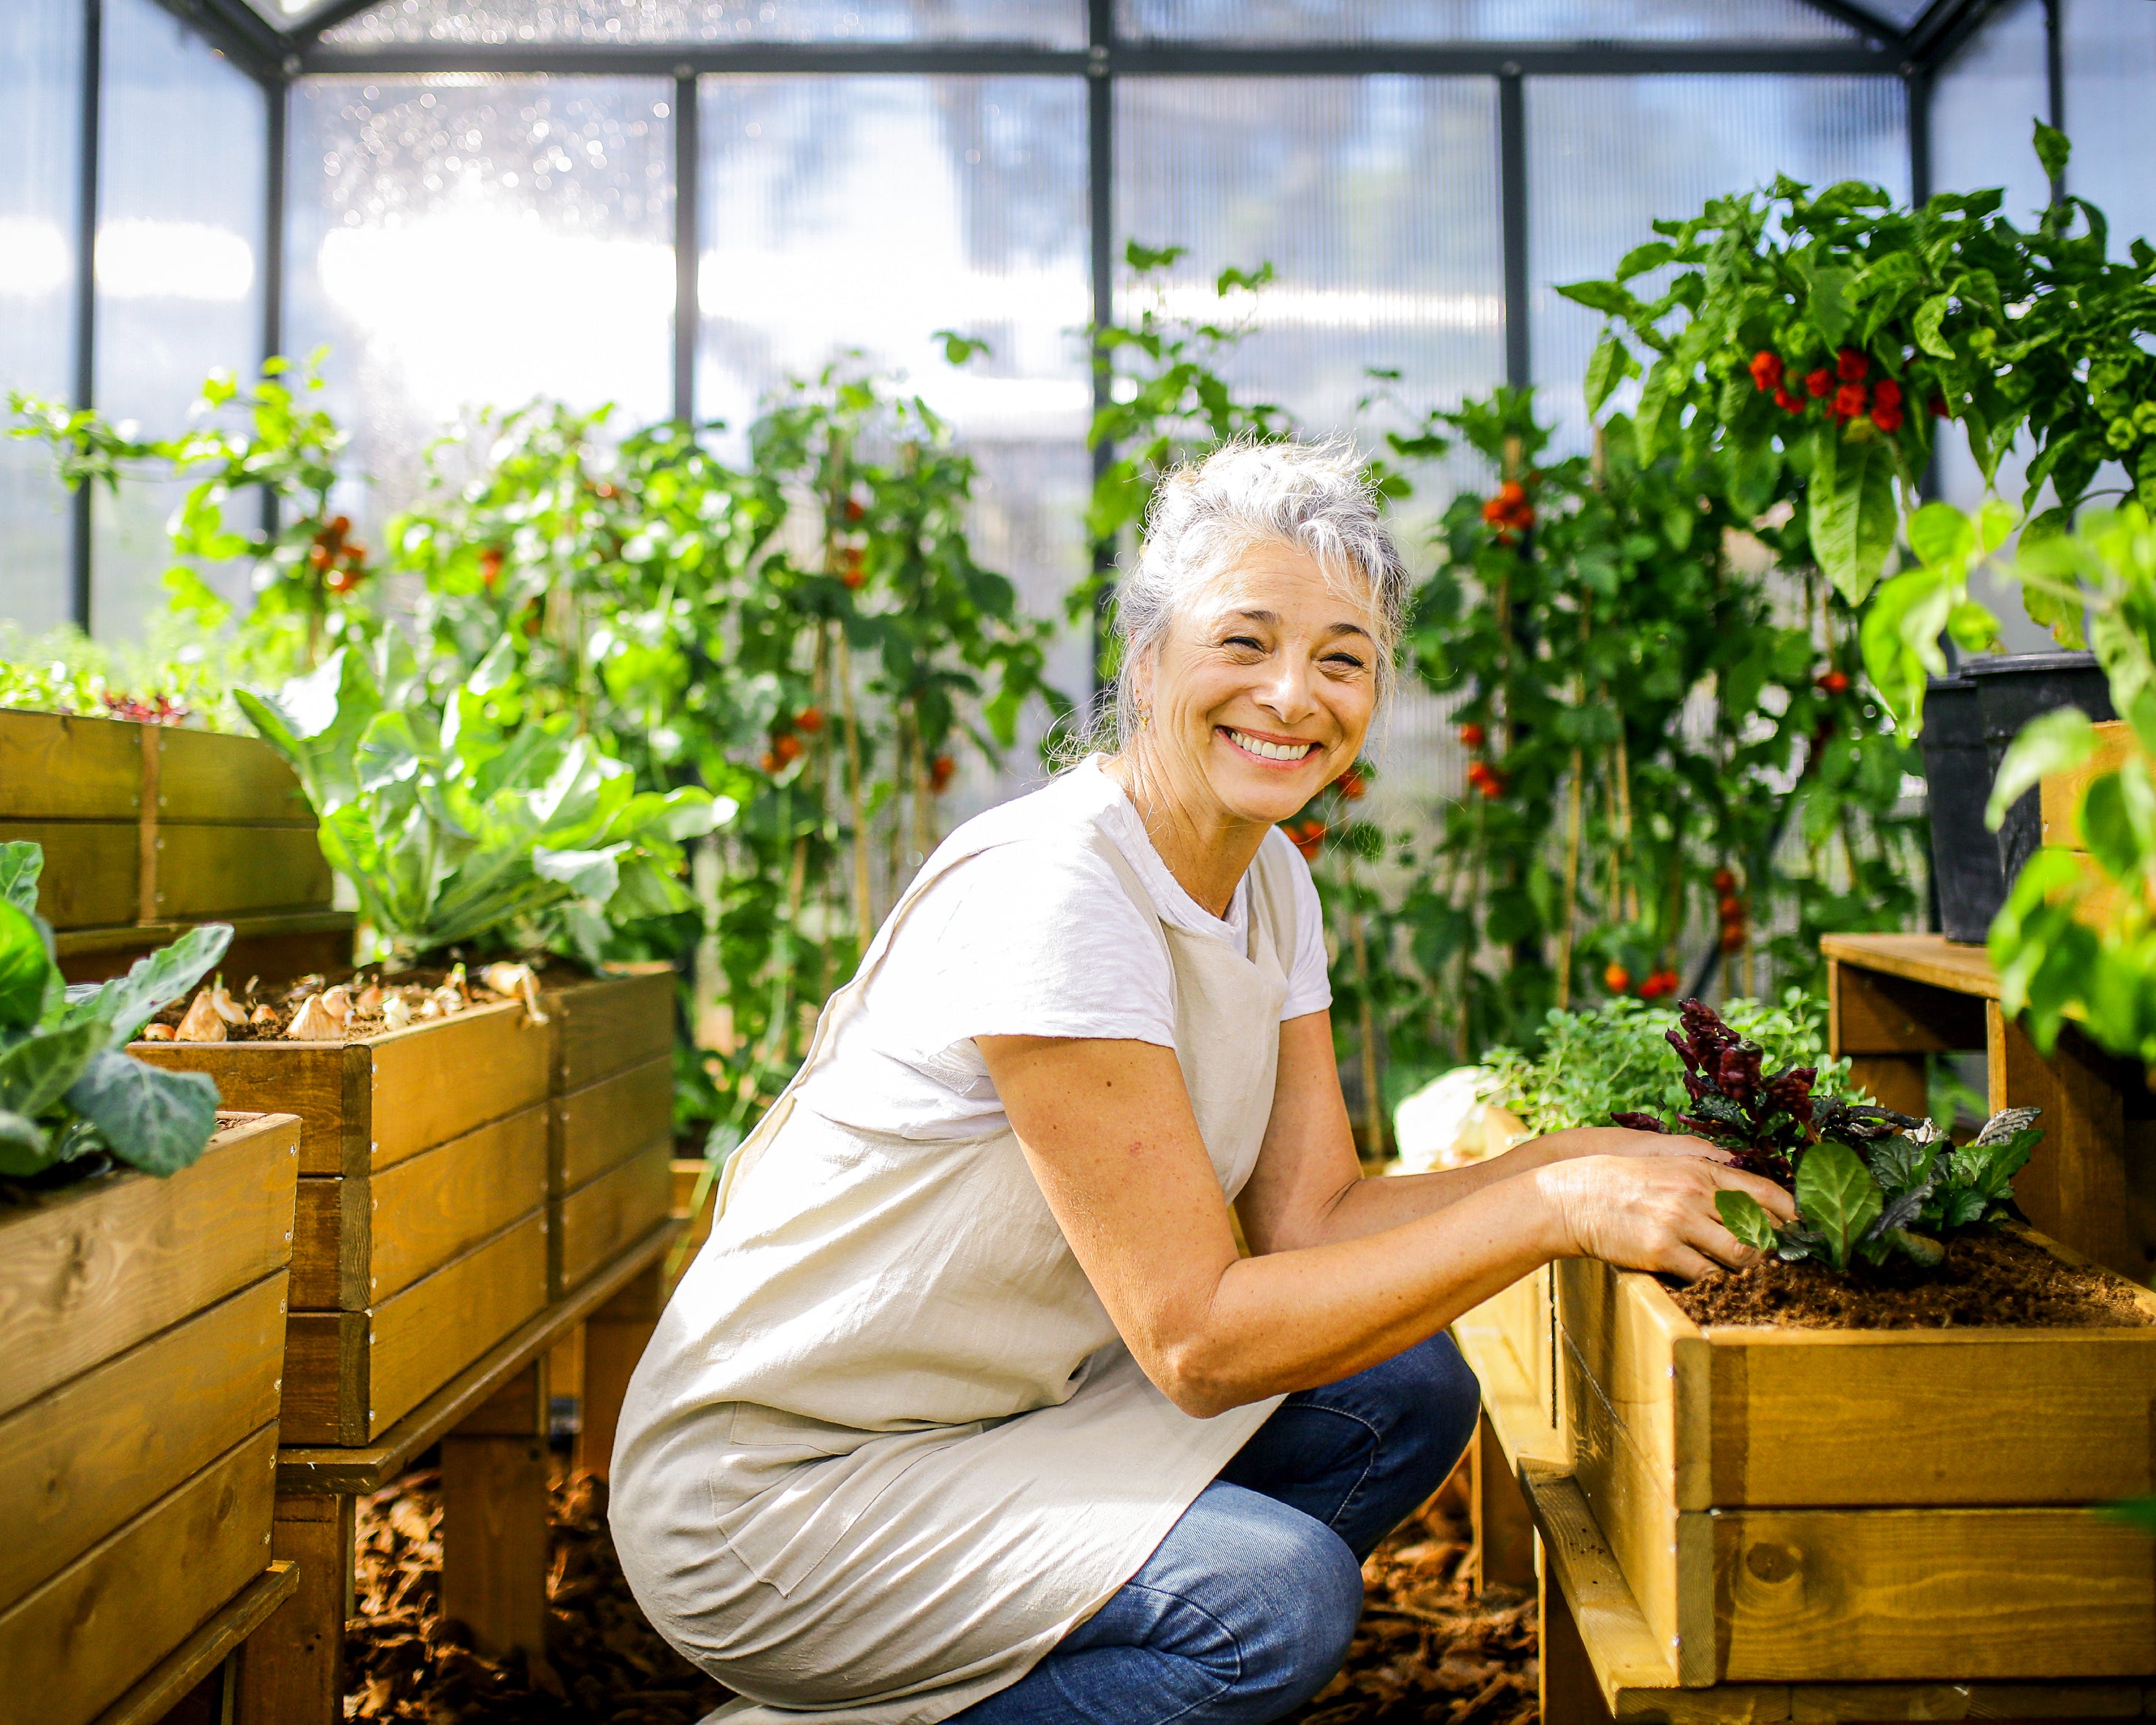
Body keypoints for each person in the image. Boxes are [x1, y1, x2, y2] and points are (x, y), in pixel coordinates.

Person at [610, 439, 1795, 1725]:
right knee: (1265, 1606)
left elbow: (1313, 1220)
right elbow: (1197, 1340)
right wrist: (1551, 1209)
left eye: (1341, 658)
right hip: (788, 1485)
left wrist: (1571, 1156)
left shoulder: (1270, 877)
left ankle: (977, 1683)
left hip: (997, 1417)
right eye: (1246, 642)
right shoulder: (1057, 887)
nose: (1293, 693)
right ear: (1148, 657)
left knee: (1402, 1389)